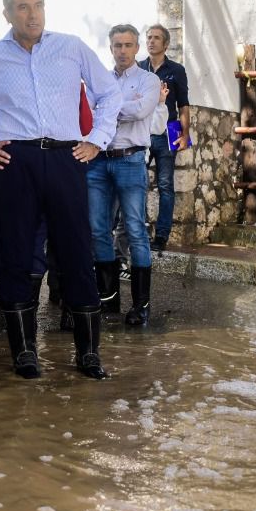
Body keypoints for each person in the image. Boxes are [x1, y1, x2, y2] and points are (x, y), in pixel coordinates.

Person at [0, 0, 122, 380]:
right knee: (16, 254)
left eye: (37, 5)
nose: (32, 13)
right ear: (7, 14)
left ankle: (88, 354)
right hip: (14, 161)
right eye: (22, 7)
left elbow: (110, 94)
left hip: (67, 157)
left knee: (76, 250)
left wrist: (96, 141)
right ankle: (24, 353)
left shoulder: (70, 47)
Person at [88, 25, 163, 326]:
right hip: (98, 160)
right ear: (111, 47)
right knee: (97, 229)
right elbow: (87, 112)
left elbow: (141, 111)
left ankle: (141, 306)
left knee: (134, 229)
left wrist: (107, 108)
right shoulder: (101, 80)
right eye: (117, 45)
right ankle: (108, 300)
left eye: (128, 45)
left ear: (137, 48)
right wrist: (112, 108)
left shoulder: (149, 79)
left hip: (130, 159)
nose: (122, 50)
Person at [139, 24, 190, 250]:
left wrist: (185, 134)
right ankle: (135, 233)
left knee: (166, 186)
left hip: (168, 132)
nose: (151, 41)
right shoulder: (139, 68)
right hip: (141, 132)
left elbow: (183, 105)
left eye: (156, 38)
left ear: (166, 43)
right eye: (149, 37)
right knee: (135, 183)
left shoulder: (176, 70)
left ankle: (161, 237)